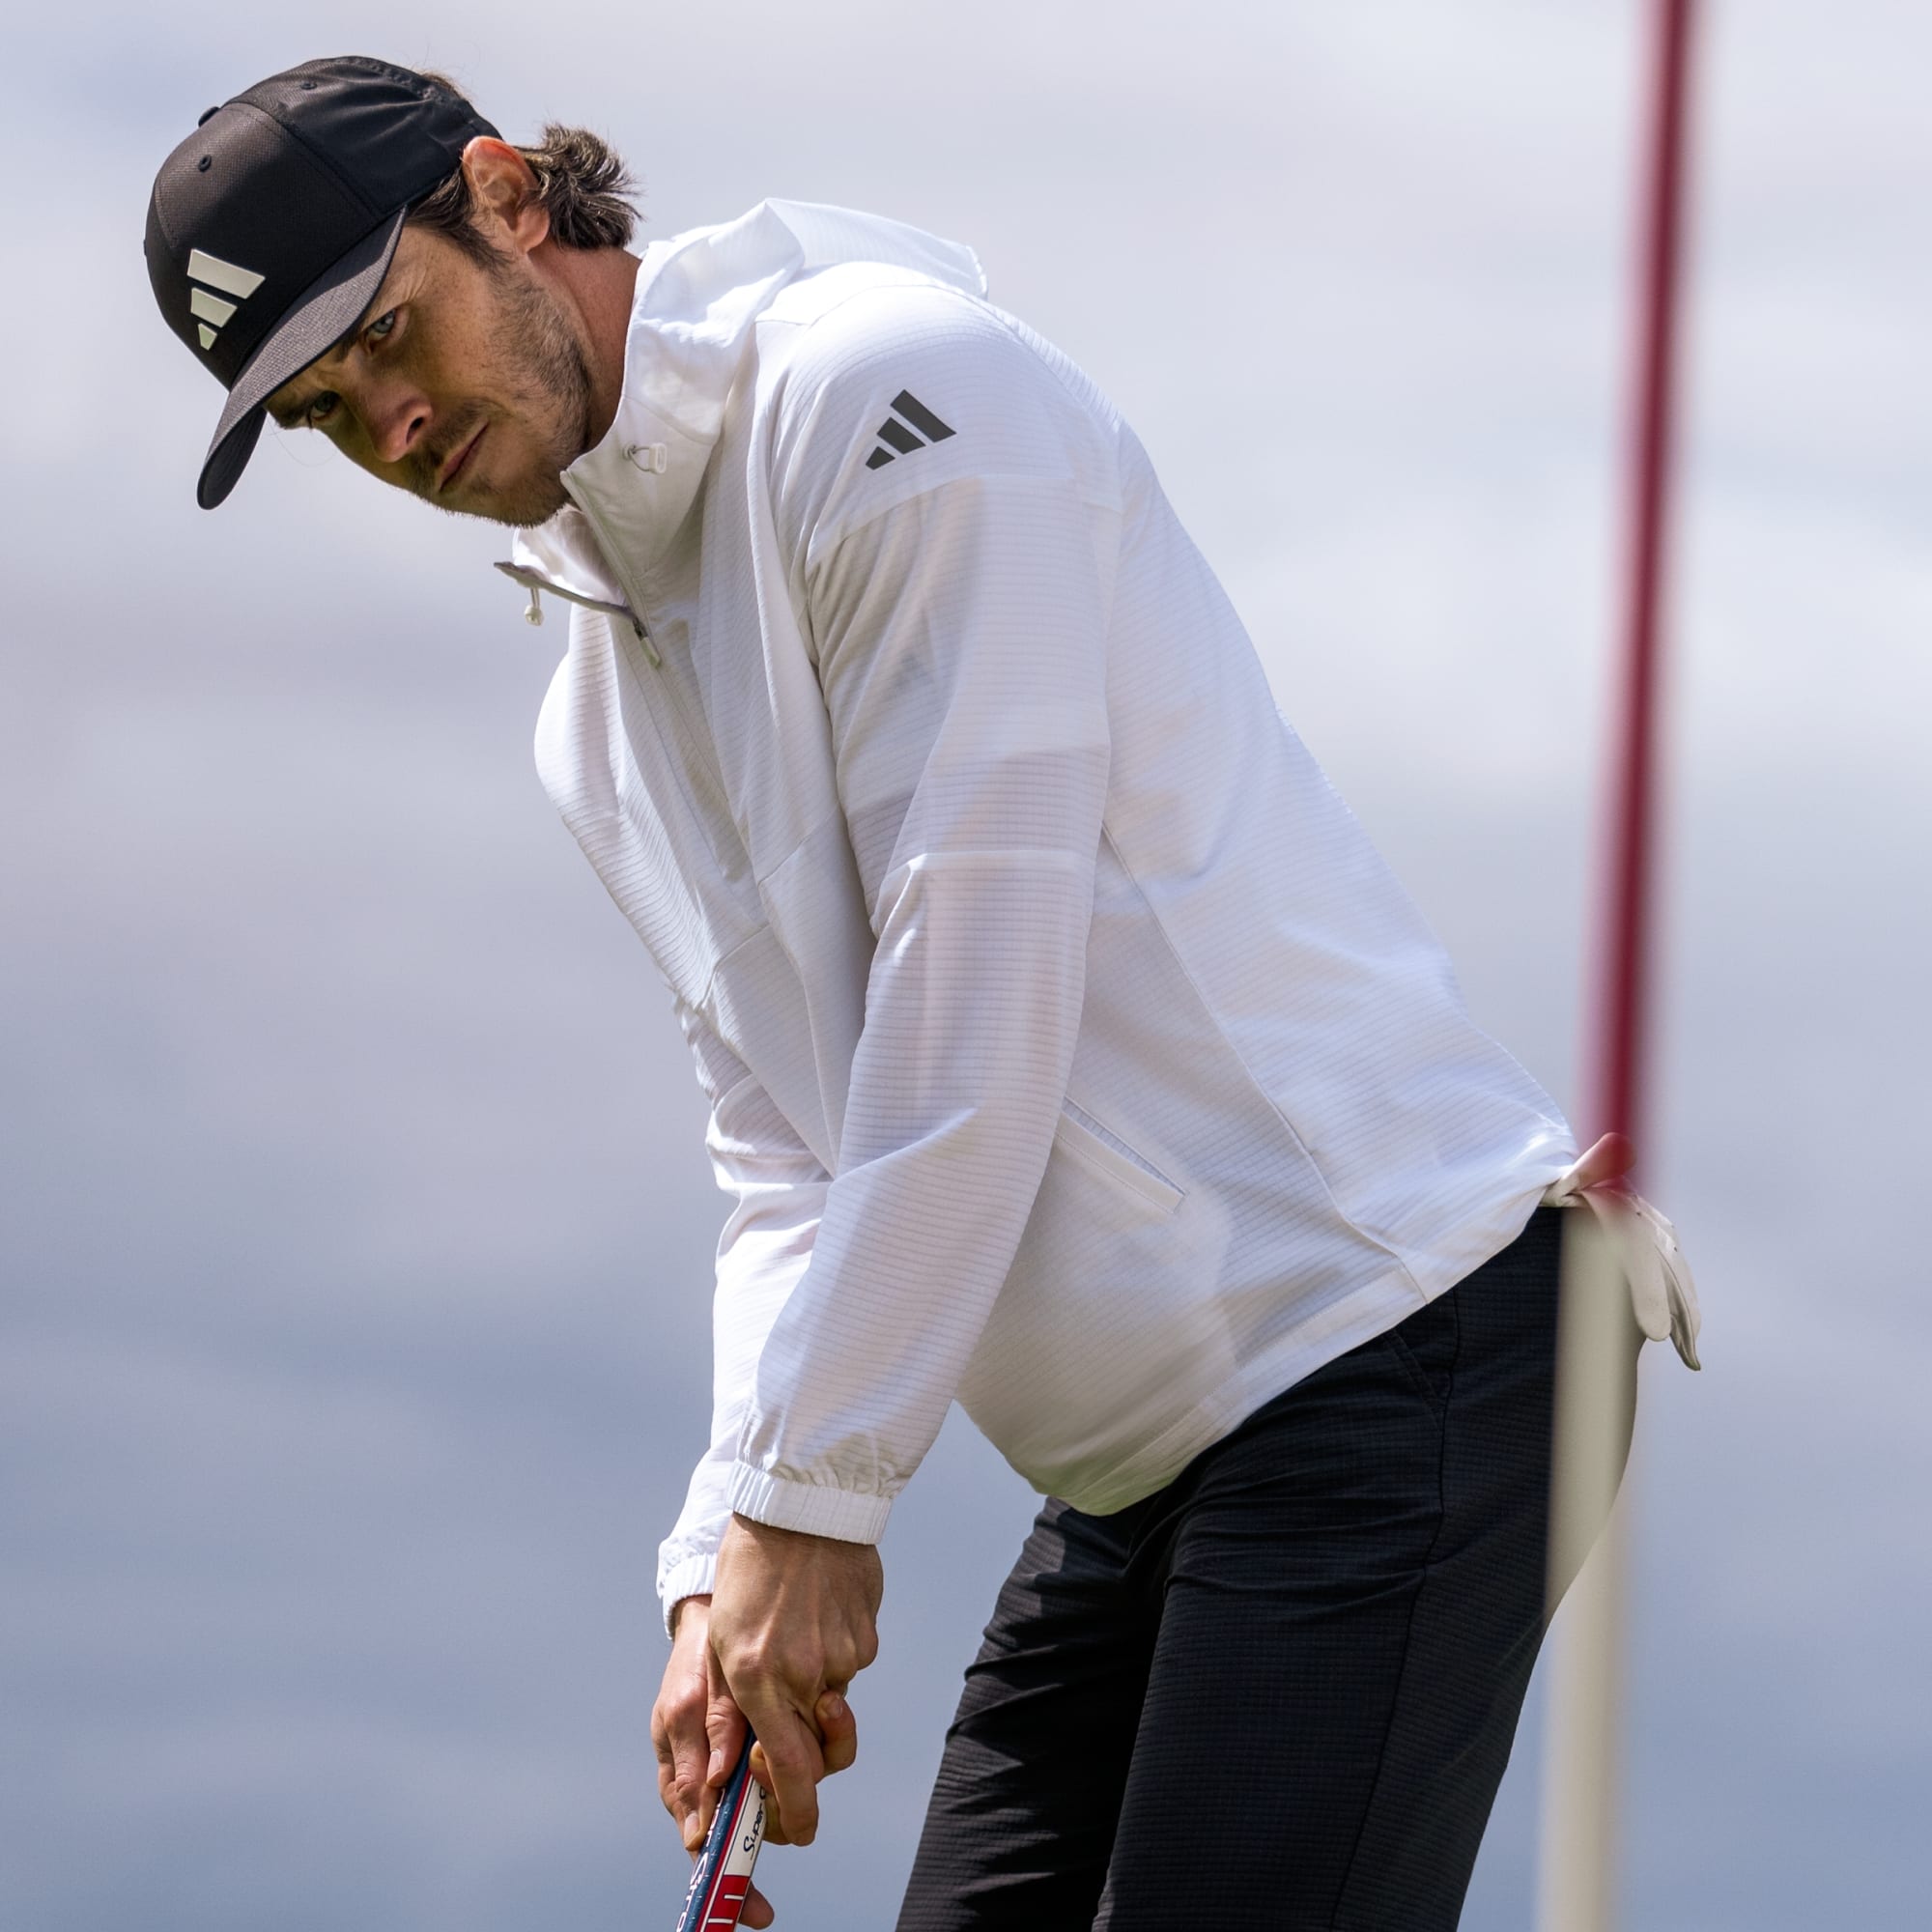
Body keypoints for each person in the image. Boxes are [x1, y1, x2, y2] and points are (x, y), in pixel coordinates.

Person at [145, 56, 1697, 1929]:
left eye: (388, 332)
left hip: (1390, 1333)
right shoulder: (592, 711)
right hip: (1139, 1461)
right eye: (325, 409)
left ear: (505, 197)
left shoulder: (890, 396)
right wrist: (723, 1547)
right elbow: (783, 1158)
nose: (389, 421)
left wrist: (813, 1501)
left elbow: (980, 993)